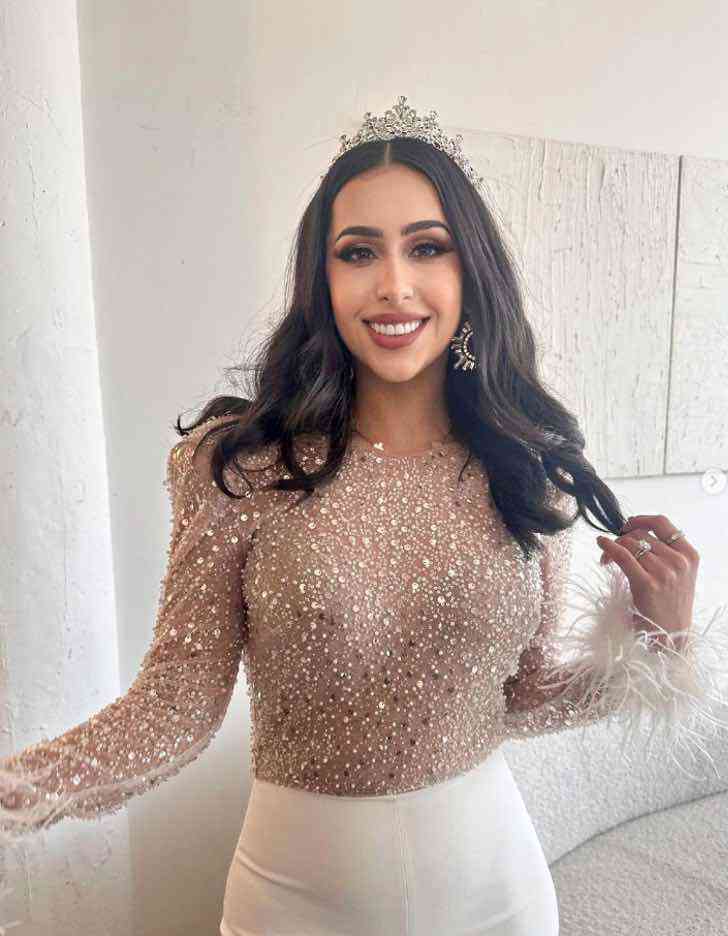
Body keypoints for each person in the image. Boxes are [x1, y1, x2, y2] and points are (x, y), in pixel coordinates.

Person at [2, 96, 727, 935]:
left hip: (497, 896)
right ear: (323, 281)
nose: (393, 284)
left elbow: (524, 698)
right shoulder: (240, 469)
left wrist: (659, 642)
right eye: (357, 252)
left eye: (427, 247)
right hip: (295, 904)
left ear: (470, 273)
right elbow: (175, 707)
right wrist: (18, 793)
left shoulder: (523, 467)